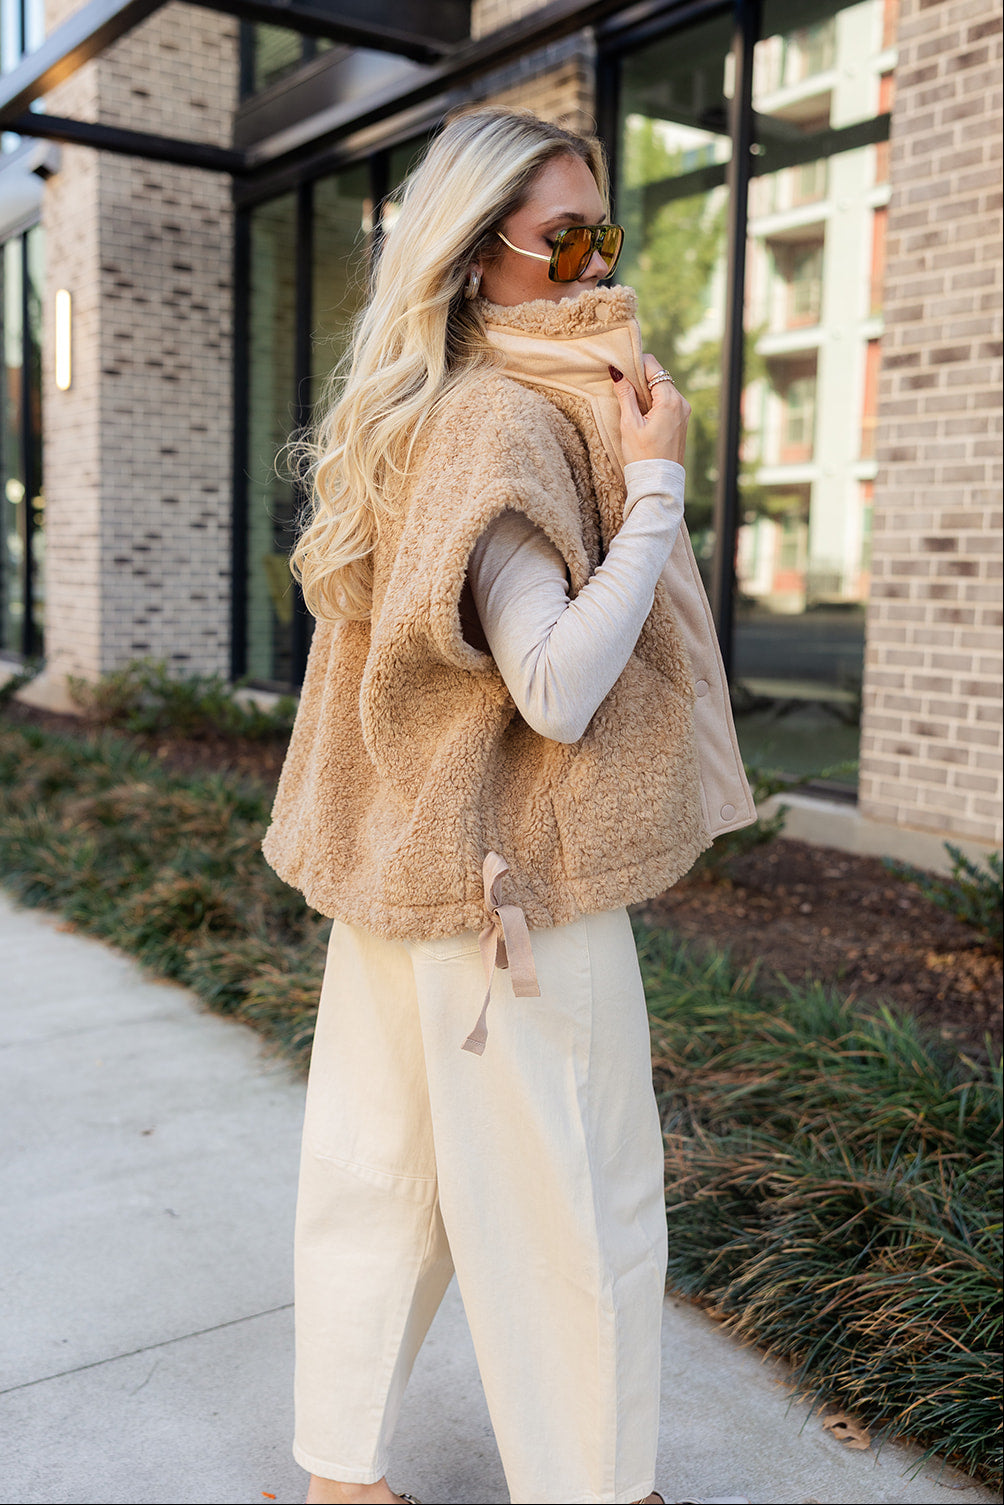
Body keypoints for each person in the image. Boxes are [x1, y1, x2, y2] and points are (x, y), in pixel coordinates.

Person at [262, 105, 755, 1505]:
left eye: (608, 233)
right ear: (480, 258)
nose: (601, 264)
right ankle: (602, 1488)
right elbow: (553, 682)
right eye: (570, 239)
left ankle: (342, 1476)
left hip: (409, 870)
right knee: (579, 1200)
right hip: (513, 888)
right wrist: (656, 491)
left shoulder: (438, 403)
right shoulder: (504, 419)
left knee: (376, 1174)